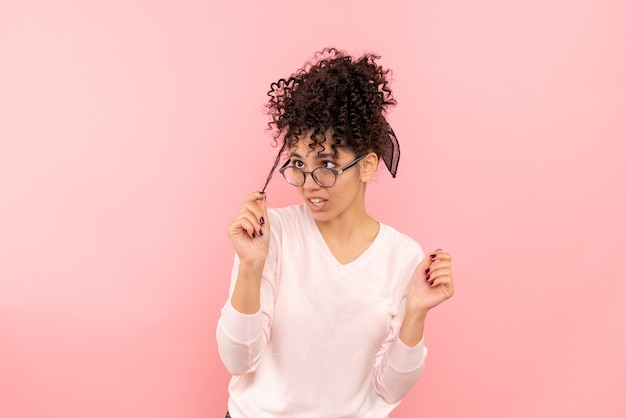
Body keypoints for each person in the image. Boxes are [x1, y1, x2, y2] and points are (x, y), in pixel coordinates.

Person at [216, 48, 455, 418]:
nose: (310, 184)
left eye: (327, 164)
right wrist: (250, 267)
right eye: (298, 164)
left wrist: (416, 313)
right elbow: (238, 360)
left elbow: (389, 389)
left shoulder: (402, 257)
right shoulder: (270, 235)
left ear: (366, 166)